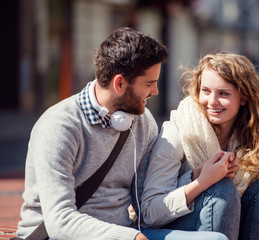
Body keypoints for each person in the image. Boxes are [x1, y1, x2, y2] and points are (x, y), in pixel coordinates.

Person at [16, 27, 228, 240]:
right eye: (149, 84)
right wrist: (128, 237)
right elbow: (59, 221)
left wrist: (196, 178)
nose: (155, 92)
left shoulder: (142, 122)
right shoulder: (59, 126)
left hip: (127, 232)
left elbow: (147, 206)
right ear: (119, 83)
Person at [141, 52, 259, 240]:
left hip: (230, 224)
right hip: (176, 229)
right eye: (206, 91)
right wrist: (201, 180)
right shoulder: (178, 131)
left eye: (223, 93)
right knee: (222, 189)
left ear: (243, 98)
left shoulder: (252, 139)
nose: (212, 102)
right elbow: (148, 214)